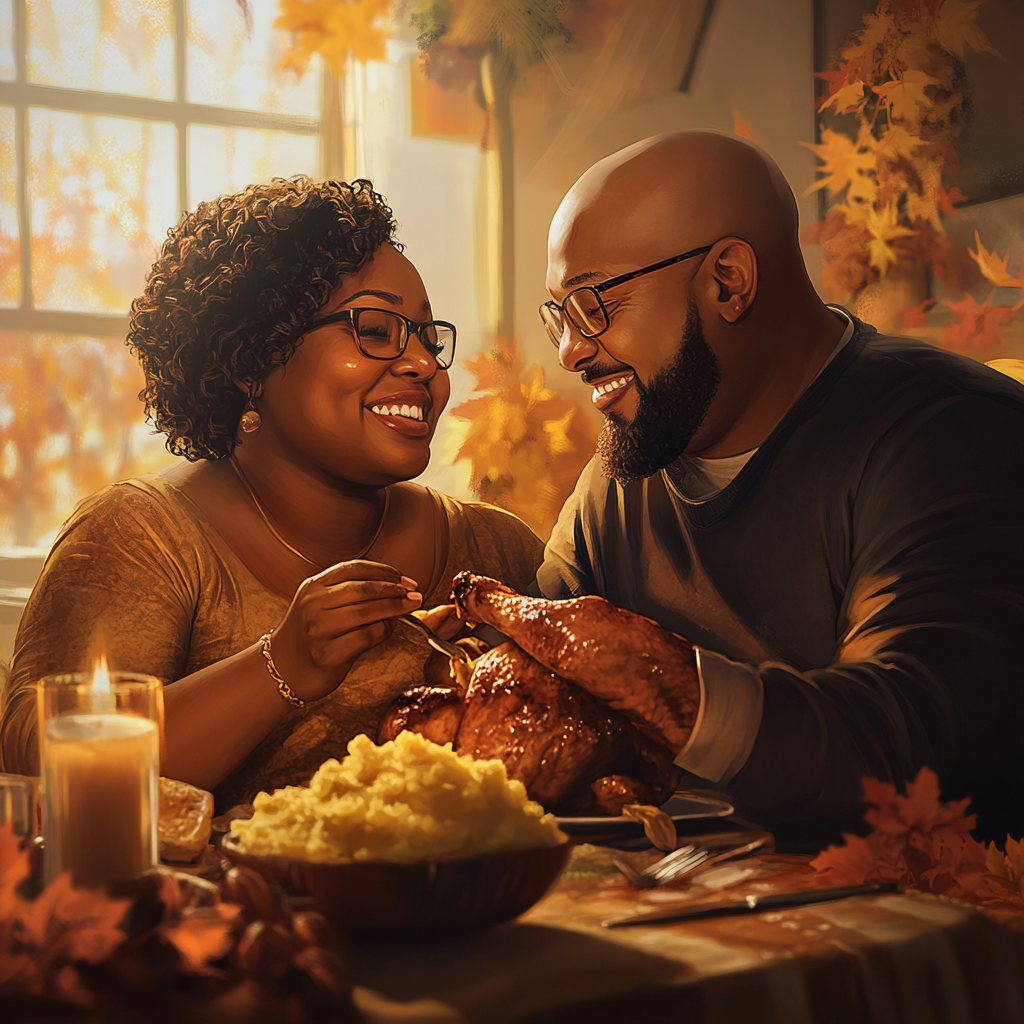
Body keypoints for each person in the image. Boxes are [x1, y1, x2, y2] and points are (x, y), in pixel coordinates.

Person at [536, 131, 1024, 849]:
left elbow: (915, 746)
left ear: (728, 281)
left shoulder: (949, 433)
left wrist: (679, 691)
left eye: (592, 303)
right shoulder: (616, 485)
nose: (571, 350)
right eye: (559, 315)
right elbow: (540, 693)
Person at [0, 177, 542, 808]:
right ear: (251, 359)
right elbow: (50, 766)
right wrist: (281, 666)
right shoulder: (140, 534)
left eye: (426, 334)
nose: (424, 363)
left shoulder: (496, 547)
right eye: (376, 328)